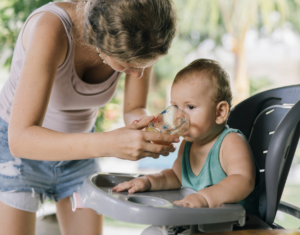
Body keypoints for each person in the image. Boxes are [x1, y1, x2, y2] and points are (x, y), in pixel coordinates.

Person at [0, 0, 179, 234]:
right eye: (127, 66)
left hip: (81, 152)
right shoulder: (51, 28)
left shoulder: (142, 36)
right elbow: (20, 139)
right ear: (99, 40)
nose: (138, 73)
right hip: (21, 157)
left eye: (146, 65)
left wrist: (147, 130)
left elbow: (134, 108)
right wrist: (110, 144)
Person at [113, 59, 261, 216]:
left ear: (219, 112)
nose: (178, 116)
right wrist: (148, 181)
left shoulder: (231, 142)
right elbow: (176, 176)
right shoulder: (188, 144)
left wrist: (203, 199)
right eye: (175, 107)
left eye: (190, 107)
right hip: (198, 224)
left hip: (236, 227)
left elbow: (243, 180)